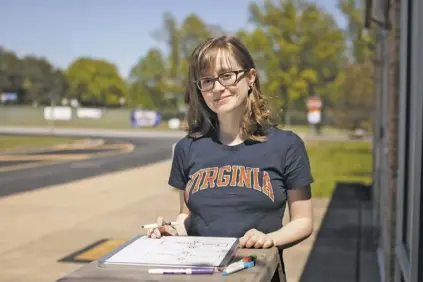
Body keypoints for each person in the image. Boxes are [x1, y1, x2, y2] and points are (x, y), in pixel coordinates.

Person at [147, 35, 314, 282]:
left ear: (250, 78)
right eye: (207, 80)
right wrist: (171, 230)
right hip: (201, 275)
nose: (217, 87)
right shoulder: (187, 148)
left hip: (259, 275)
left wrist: (270, 239)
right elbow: (188, 216)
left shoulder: (286, 145)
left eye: (227, 75)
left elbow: (303, 221)